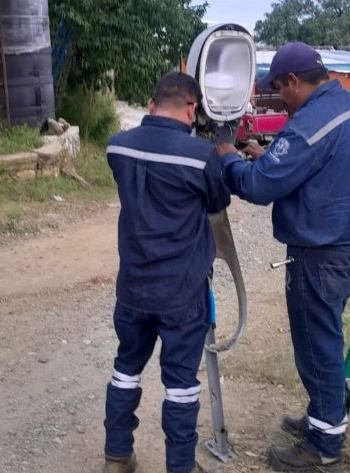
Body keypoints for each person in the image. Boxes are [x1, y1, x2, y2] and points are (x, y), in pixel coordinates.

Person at [216, 42, 350, 472]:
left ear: (293, 81)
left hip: (319, 253)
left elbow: (259, 187)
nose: (278, 97)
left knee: (316, 343)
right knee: (323, 337)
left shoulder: (307, 125)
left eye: (278, 88)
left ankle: (323, 446)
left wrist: (228, 158)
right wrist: (270, 157)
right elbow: (321, 167)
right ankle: (322, 416)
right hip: (347, 244)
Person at [103, 72, 231, 473]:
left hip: (133, 290)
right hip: (181, 294)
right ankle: (180, 466)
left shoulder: (117, 148)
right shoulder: (200, 155)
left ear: (151, 103)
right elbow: (217, 201)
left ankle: (116, 456)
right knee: (180, 384)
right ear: (192, 109)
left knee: (126, 368)